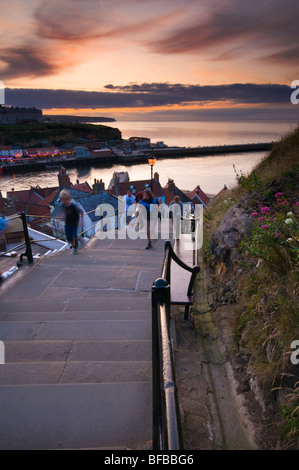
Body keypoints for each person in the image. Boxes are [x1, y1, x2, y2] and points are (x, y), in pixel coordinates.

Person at [58, 190, 84, 255]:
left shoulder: (73, 205)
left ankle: (80, 240)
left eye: (64, 200)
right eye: (62, 201)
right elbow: (64, 211)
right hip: (67, 223)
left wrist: (81, 221)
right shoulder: (63, 205)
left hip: (74, 222)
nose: (63, 202)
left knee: (75, 236)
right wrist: (62, 216)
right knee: (69, 238)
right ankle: (74, 248)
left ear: (68, 199)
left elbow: (82, 212)